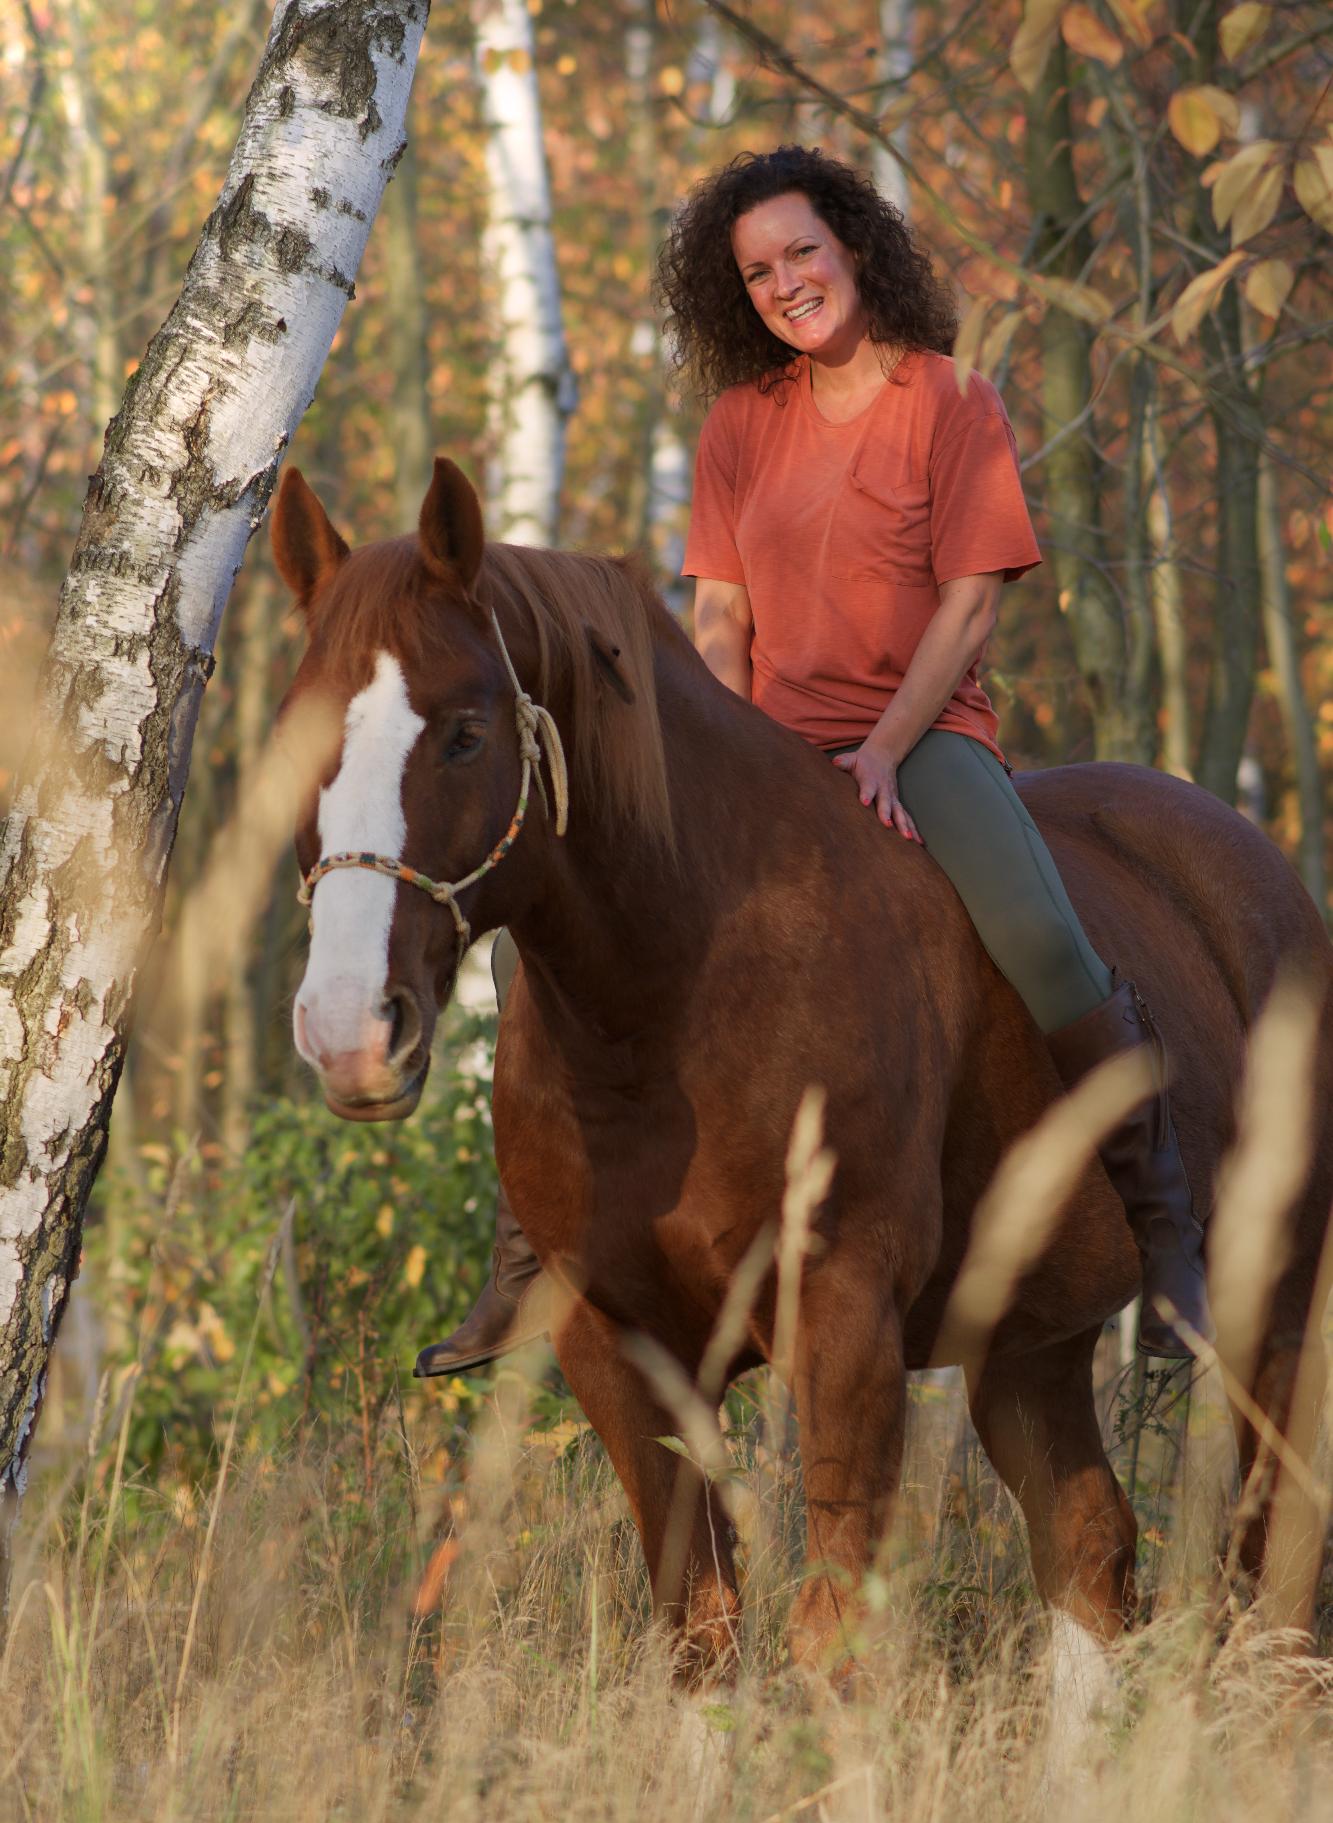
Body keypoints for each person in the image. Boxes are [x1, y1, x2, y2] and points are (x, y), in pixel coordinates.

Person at [416, 147, 1209, 1379]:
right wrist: (720, 765)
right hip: (767, 745)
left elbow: (970, 609)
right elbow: (721, 621)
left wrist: (887, 752)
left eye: (801, 252)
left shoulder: (952, 401)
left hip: (926, 740)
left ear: (852, 247)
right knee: (580, 901)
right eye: (757, 271)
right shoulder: (740, 427)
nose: (785, 282)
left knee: (1044, 939)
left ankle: (1164, 1235)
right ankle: (533, 1244)